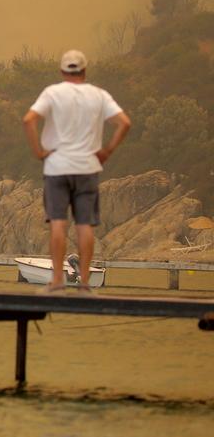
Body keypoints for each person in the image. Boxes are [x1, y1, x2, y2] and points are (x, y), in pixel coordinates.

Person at [23, 49, 131, 294]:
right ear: (84, 71)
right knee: (85, 225)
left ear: (62, 71)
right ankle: (84, 283)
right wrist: (107, 151)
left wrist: (40, 151)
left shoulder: (52, 93)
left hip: (56, 168)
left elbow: (29, 119)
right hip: (87, 168)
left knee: (58, 225)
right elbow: (124, 122)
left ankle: (58, 281)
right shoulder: (99, 95)